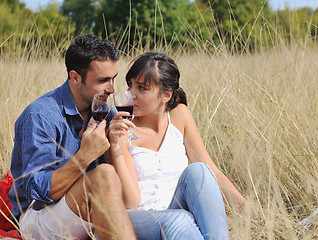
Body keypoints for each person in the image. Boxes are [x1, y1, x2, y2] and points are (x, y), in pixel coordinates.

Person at [9, 35, 201, 240]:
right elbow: (36, 191)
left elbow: (127, 195)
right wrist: (84, 156)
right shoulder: (41, 116)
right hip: (40, 217)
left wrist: (117, 146)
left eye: (113, 78)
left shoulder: (106, 115)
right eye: (103, 80)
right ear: (75, 77)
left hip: (91, 212)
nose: (111, 89)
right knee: (104, 174)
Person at [107, 52, 248, 240]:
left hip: (177, 213)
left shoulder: (180, 116)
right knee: (180, 219)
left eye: (142, 88)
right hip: (138, 220)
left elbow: (211, 172)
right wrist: (115, 146)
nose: (132, 94)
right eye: (130, 85)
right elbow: (131, 203)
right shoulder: (124, 129)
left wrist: (250, 212)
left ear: (166, 95)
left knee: (199, 170)